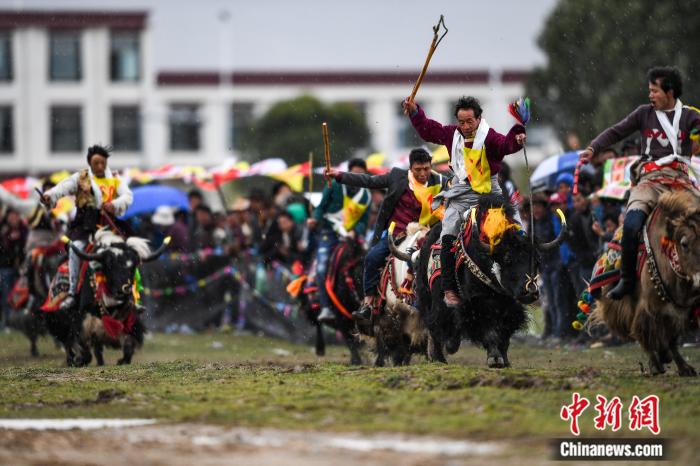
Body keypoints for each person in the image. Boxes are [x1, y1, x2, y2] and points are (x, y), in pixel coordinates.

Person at [579, 66, 700, 300]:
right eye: (650, 90)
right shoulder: (643, 113)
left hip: (680, 182)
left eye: (654, 91)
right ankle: (626, 279)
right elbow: (617, 131)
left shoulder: (689, 115)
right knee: (632, 224)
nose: (650, 95)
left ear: (670, 91)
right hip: (649, 182)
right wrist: (593, 147)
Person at [403, 96, 526, 308]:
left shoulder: (490, 137)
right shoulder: (451, 134)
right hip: (460, 192)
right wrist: (415, 112)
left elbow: (507, 145)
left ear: (479, 119)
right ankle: (449, 289)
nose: (466, 126)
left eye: (470, 121)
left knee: (516, 228)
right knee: (448, 232)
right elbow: (427, 129)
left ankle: (524, 282)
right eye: (462, 122)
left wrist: (517, 137)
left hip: (489, 193)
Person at [326, 148, 448, 320]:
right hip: (397, 234)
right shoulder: (397, 176)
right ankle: (368, 304)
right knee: (372, 258)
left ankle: (451, 301)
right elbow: (368, 180)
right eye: (418, 170)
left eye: (426, 169)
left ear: (431, 166)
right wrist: (339, 175)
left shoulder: (442, 181)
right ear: (410, 168)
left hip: (428, 235)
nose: (423, 174)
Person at [42, 145, 133, 310]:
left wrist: (114, 205)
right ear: (89, 163)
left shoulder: (114, 178)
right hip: (85, 226)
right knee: (75, 248)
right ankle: (72, 292)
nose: (100, 166)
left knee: (130, 251)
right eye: (96, 163)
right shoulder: (80, 177)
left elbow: (127, 196)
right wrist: (50, 196)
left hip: (109, 226)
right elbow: (61, 188)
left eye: (102, 163)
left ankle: (132, 294)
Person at [308, 158, 371, 323]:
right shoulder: (334, 185)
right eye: (354, 173)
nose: (357, 177)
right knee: (321, 267)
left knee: (369, 264)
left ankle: (368, 306)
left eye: (361, 174)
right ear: (348, 173)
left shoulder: (366, 196)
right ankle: (325, 307)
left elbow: (364, 222)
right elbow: (321, 207)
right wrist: (315, 218)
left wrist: (355, 232)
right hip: (329, 233)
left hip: (352, 238)